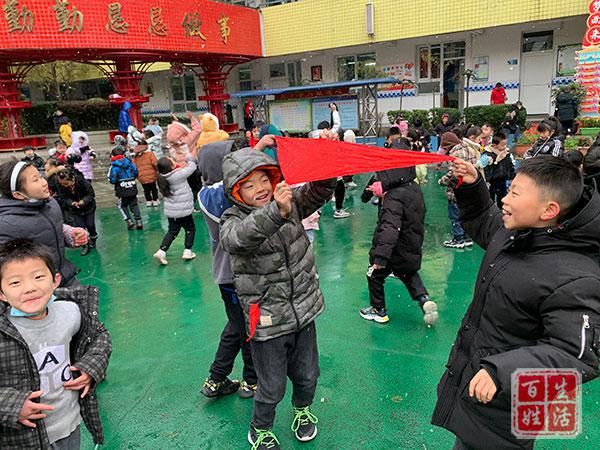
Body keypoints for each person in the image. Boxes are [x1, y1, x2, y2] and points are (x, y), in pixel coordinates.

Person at [432, 156, 600, 450]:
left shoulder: (577, 277)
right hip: (479, 388)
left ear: (549, 210)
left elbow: (575, 355)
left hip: (509, 404)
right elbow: (485, 219)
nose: (505, 200)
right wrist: (473, 185)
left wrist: (503, 372)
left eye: (515, 194)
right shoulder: (518, 232)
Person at [220, 148, 336, 449]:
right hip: (268, 321)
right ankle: (259, 429)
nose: (260, 188)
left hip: (303, 311)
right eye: (249, 184)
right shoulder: (231, 220)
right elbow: (240, 238)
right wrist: (277, 212)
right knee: (271, 386)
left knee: (308, 375)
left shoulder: (288, 201)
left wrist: (325, 168)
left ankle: (302, 410)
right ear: (235, 191)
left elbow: (316, 193)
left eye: (264, 179)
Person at [0, 239, 112, 449]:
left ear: (56, 280)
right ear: (1, 293)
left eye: (39, 277)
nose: (30, 288)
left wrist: (90, 368)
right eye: (15, 282)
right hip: (21, 439)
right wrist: (11, 405)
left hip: (68, 425)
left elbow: (99, 336)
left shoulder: (70, 312)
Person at [197, 140, 258, 399]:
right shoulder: (216, 195)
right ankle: (252, 381)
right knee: (248, 329)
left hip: (227, 276)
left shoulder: (206, 194)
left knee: (236, 326)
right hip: (240, 276)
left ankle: (216, 379)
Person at [359, 138, 438, 326]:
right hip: (410, 242)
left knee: (374, 275)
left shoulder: (393, 196)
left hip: (392, 248)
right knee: (408, 273)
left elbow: (389, 228)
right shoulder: (414, 188)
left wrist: (380, 258)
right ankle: (424, 300)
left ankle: (379, 311)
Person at [0, 160, 87, 287]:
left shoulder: (49, 203)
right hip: (37, 289)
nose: (44, 182)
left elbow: (49, 227)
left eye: (41, 176)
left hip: (64, 276)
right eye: (35, 180)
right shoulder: (6, 225)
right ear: (18, 194)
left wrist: (70, 234)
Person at [439, 126, 483, 249]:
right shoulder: (472, 149)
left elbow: (454, 173)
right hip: (470, 189)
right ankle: (467, 237)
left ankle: (458, 239)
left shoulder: (456, 152)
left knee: (455, 216)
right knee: (465, 215)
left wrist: (442, 181)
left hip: (456, 190)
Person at [152, 152, 197, 265]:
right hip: (184, 211)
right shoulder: (178, 175)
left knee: (172, 231)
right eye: (172, 161)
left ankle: (162, 251)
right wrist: (188, 158)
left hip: (172, 212)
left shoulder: (162, 177)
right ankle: (187, 250)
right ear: (171, 166)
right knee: (190, 229)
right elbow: (192, 167)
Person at [54, 169, 98, 256]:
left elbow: (91, 194)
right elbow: (63, 198)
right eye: (62, 184)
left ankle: (93, 238)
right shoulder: (61, 186)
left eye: (66, 183)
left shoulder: (83, 182)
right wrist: (71, 203)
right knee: (79, 227)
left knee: (90, 224)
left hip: (88, 207)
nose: (64, 185)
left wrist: (83, 201)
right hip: (75, 210)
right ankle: (85, 245)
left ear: (73, 179)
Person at [108, 147, 143, 230]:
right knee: (134, 204)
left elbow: (112, 179)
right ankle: (139, 221)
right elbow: (136, 172)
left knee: (123, 205)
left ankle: (129, 221)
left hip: (121, 188)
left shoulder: (114, 166)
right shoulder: (130, 163)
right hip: (132, 187)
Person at [480, 133, 515, 208]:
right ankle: (490, 212)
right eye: (502, 145)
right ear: (494, 145)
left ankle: (501, 210)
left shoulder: (506, 154)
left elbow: (510, 166)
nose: (505, 147)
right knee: (490, 198)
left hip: (502, 180)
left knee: (502, 197)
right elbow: (485, 168)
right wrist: (487, 179)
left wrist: (512, 177)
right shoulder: (488, 155)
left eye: (506, 144)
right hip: (491, 181)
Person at [132, 141, 159, 207]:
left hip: (142, 177)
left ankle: (148, 201)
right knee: (153, 188)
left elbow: (134, 167)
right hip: (152, 175)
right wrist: (157, 170)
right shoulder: (150, 154)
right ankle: (155, 200)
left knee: (146, 189)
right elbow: (155, 163)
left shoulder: (135, 158)